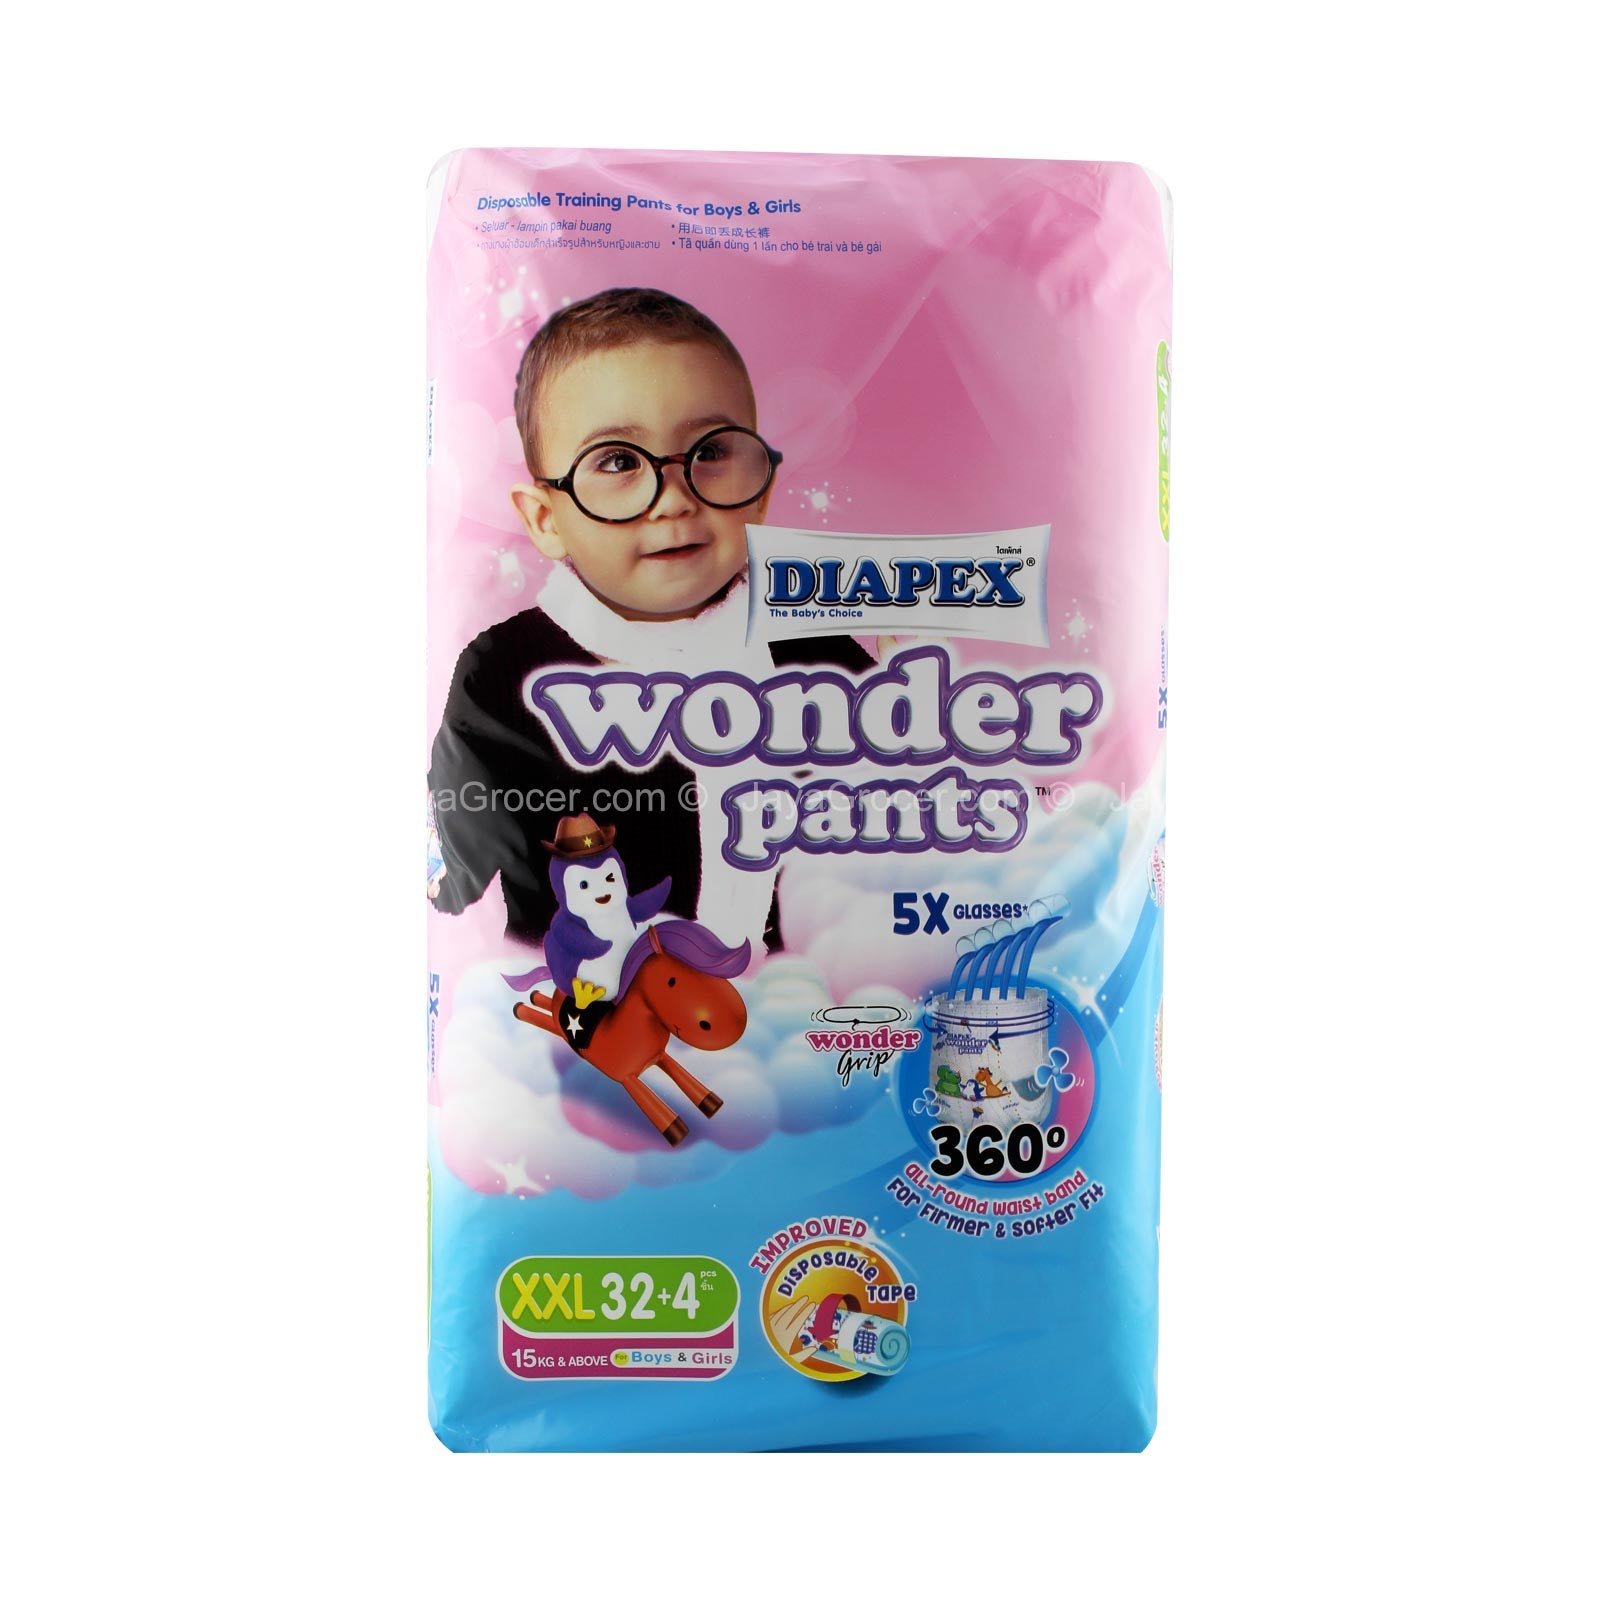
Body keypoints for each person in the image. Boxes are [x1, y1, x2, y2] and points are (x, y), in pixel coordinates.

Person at [428, 286, 872, 950]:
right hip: (589, 998)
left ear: (761, 488)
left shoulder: (814, 647)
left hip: (798, 994)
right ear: (546, 519)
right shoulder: (503, 673)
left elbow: (901, 825)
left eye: (711, 454)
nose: (673, 498)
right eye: (617, 462)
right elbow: (454, 877)